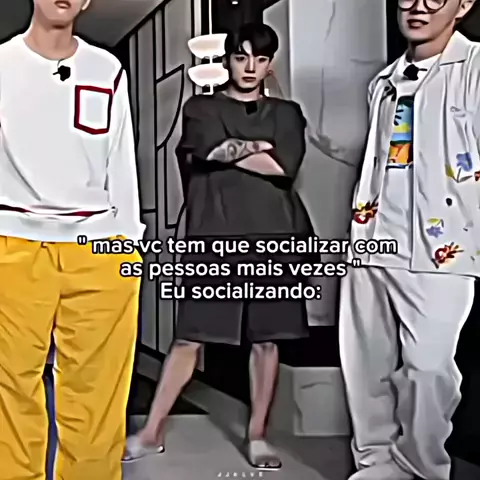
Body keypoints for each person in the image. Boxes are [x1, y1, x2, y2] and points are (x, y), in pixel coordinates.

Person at [123, 23, 313, 469]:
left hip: (276, 238)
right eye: (241, 57)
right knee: (189, 337)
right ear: (227, 60)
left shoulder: (287, 113)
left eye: (260, 59)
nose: (250, 68)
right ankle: (151, 432)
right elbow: (210, 151)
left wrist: (236, 149)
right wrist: (255, 148)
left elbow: (283, 167)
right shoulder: (201, 106)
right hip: (215, 238)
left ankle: (258, 436)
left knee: (267, 341)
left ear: (270, 65)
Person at [0, 0, 144, 479]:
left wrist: (129, 243)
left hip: (101, 246)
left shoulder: (106, 69)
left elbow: (122, 160)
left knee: (99, 392)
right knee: (9, 389)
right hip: (12, 241)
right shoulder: (2, 65)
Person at [339, 0, 479, 479]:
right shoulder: (384, 81)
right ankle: (375, 464)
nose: (418, 7)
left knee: (429, 369)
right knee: (365, 364)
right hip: (372, 237)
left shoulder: (474, 67)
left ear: (463, 5)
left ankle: (421, 469)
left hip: (444, 245)